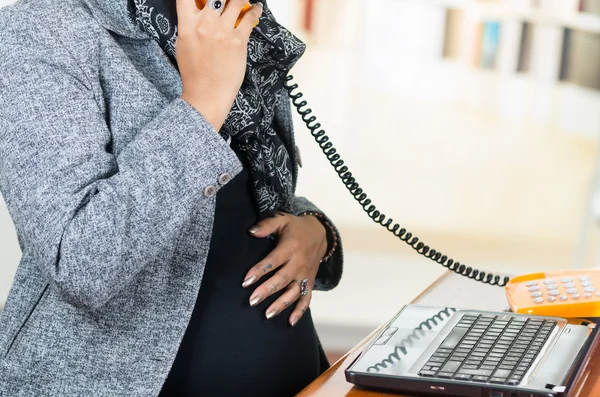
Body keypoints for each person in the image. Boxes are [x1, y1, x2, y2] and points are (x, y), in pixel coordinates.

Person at [0, 0, 343, 395]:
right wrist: (204, 103)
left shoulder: (224, 18)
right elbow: (78, 261)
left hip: (296, 378)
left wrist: (314, 230)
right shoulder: (41, 29)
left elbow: (229, 199)